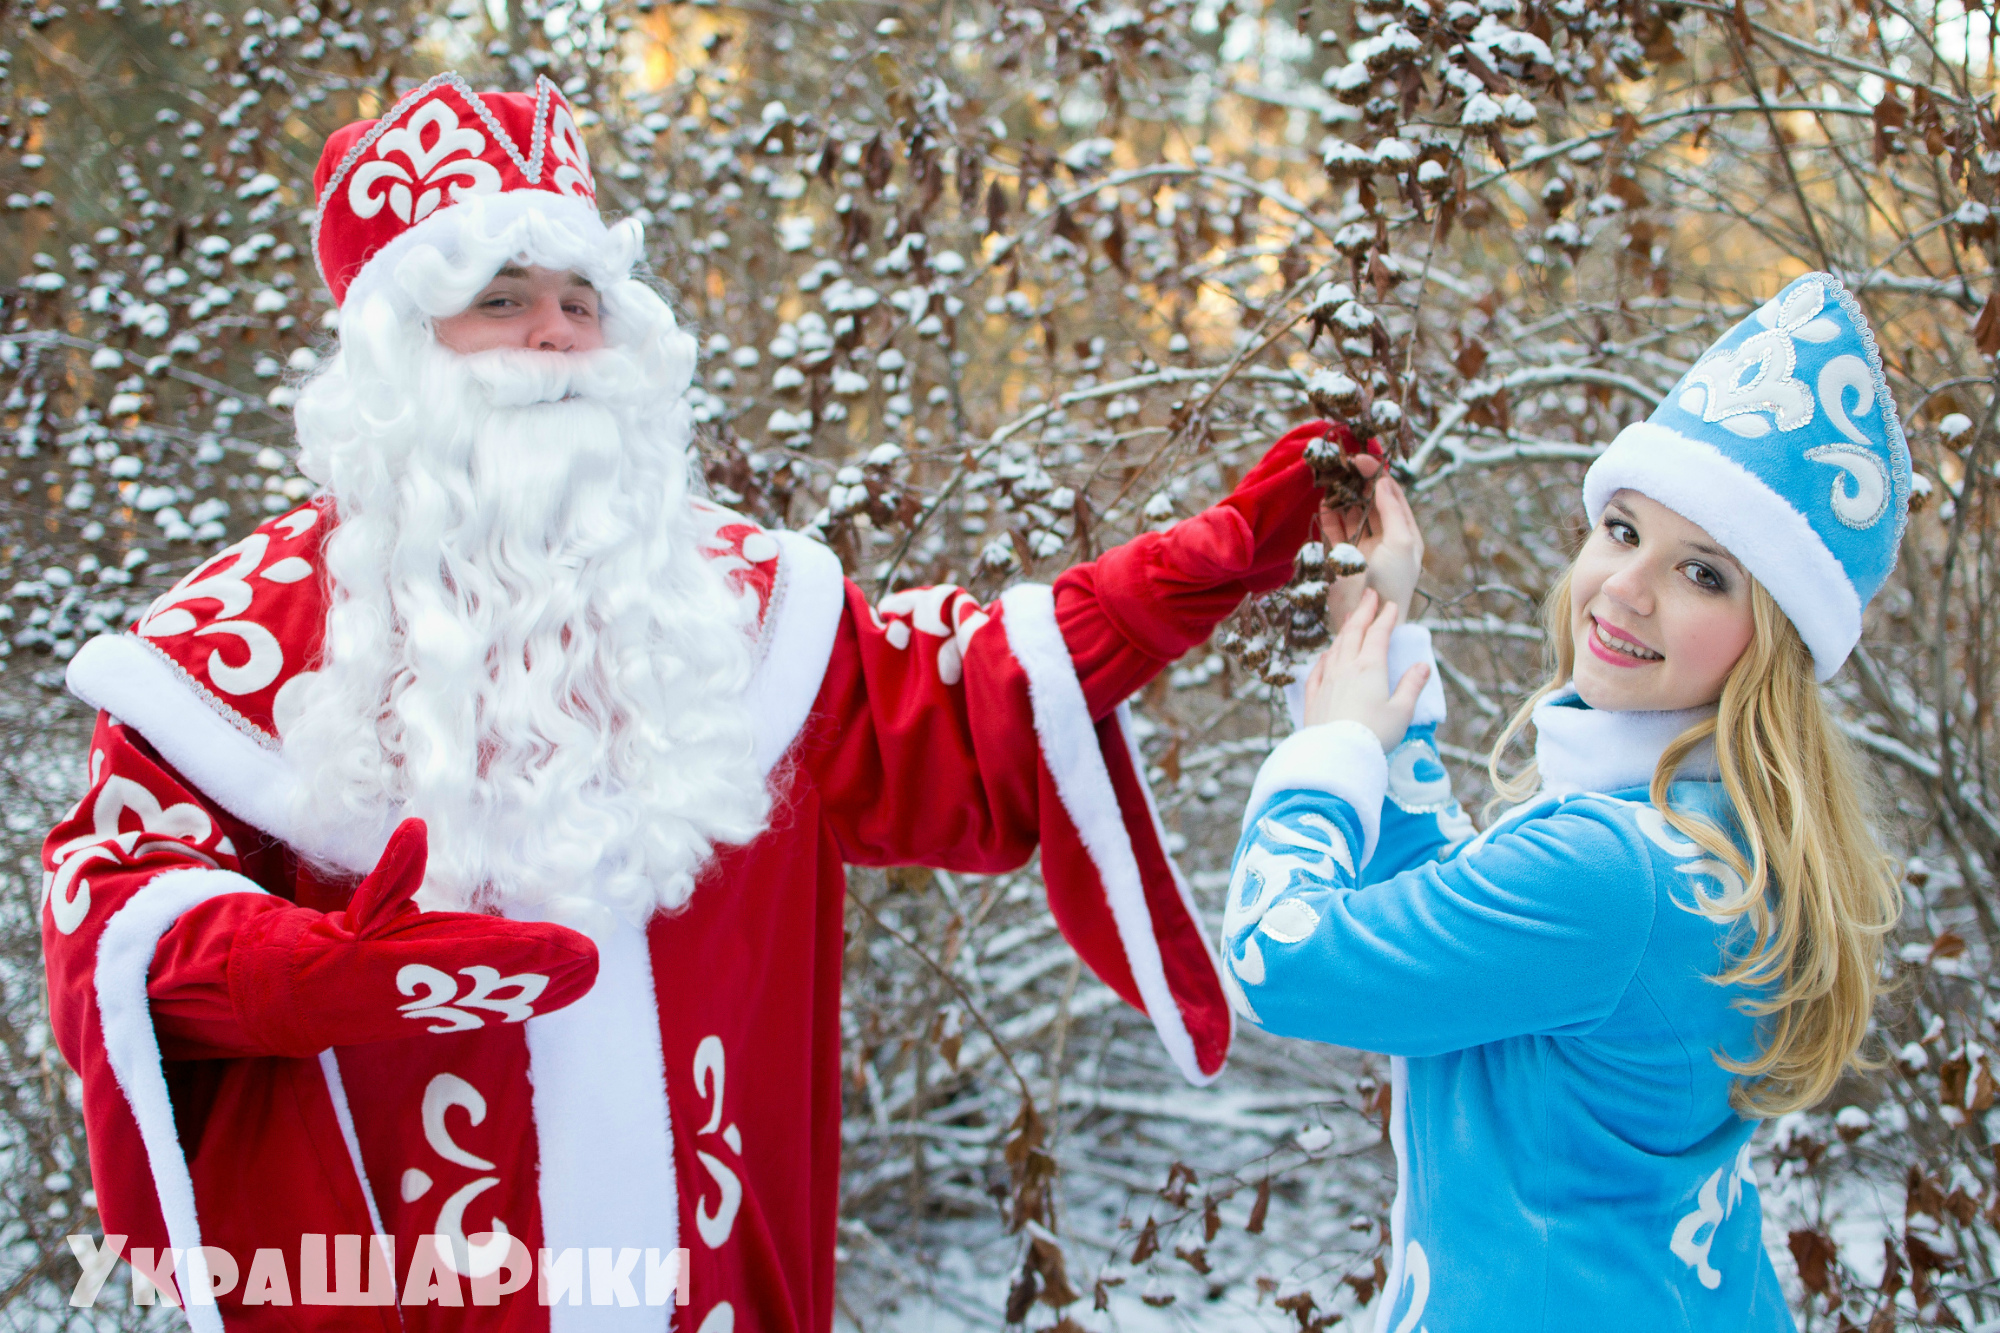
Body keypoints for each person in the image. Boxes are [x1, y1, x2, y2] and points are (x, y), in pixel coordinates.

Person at [41, 73, 1342, 1332]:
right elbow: (112, 907)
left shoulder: (738, 608)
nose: (554, 333)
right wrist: (300, 973)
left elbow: (947, 714)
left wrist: (1178, 576)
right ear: (397, 354)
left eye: (578, 298)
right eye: (500, 299)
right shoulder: (227, 650)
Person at [1220, 272, 1906, 1330]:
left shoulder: (1614, 873)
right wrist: (1381, 633)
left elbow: (1283, 960)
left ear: (1773, 639)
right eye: (1623, 531)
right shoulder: (1705, 829)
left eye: (1704, 574)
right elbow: (1449, 924)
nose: (1626, 588)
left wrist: (1331, 752)